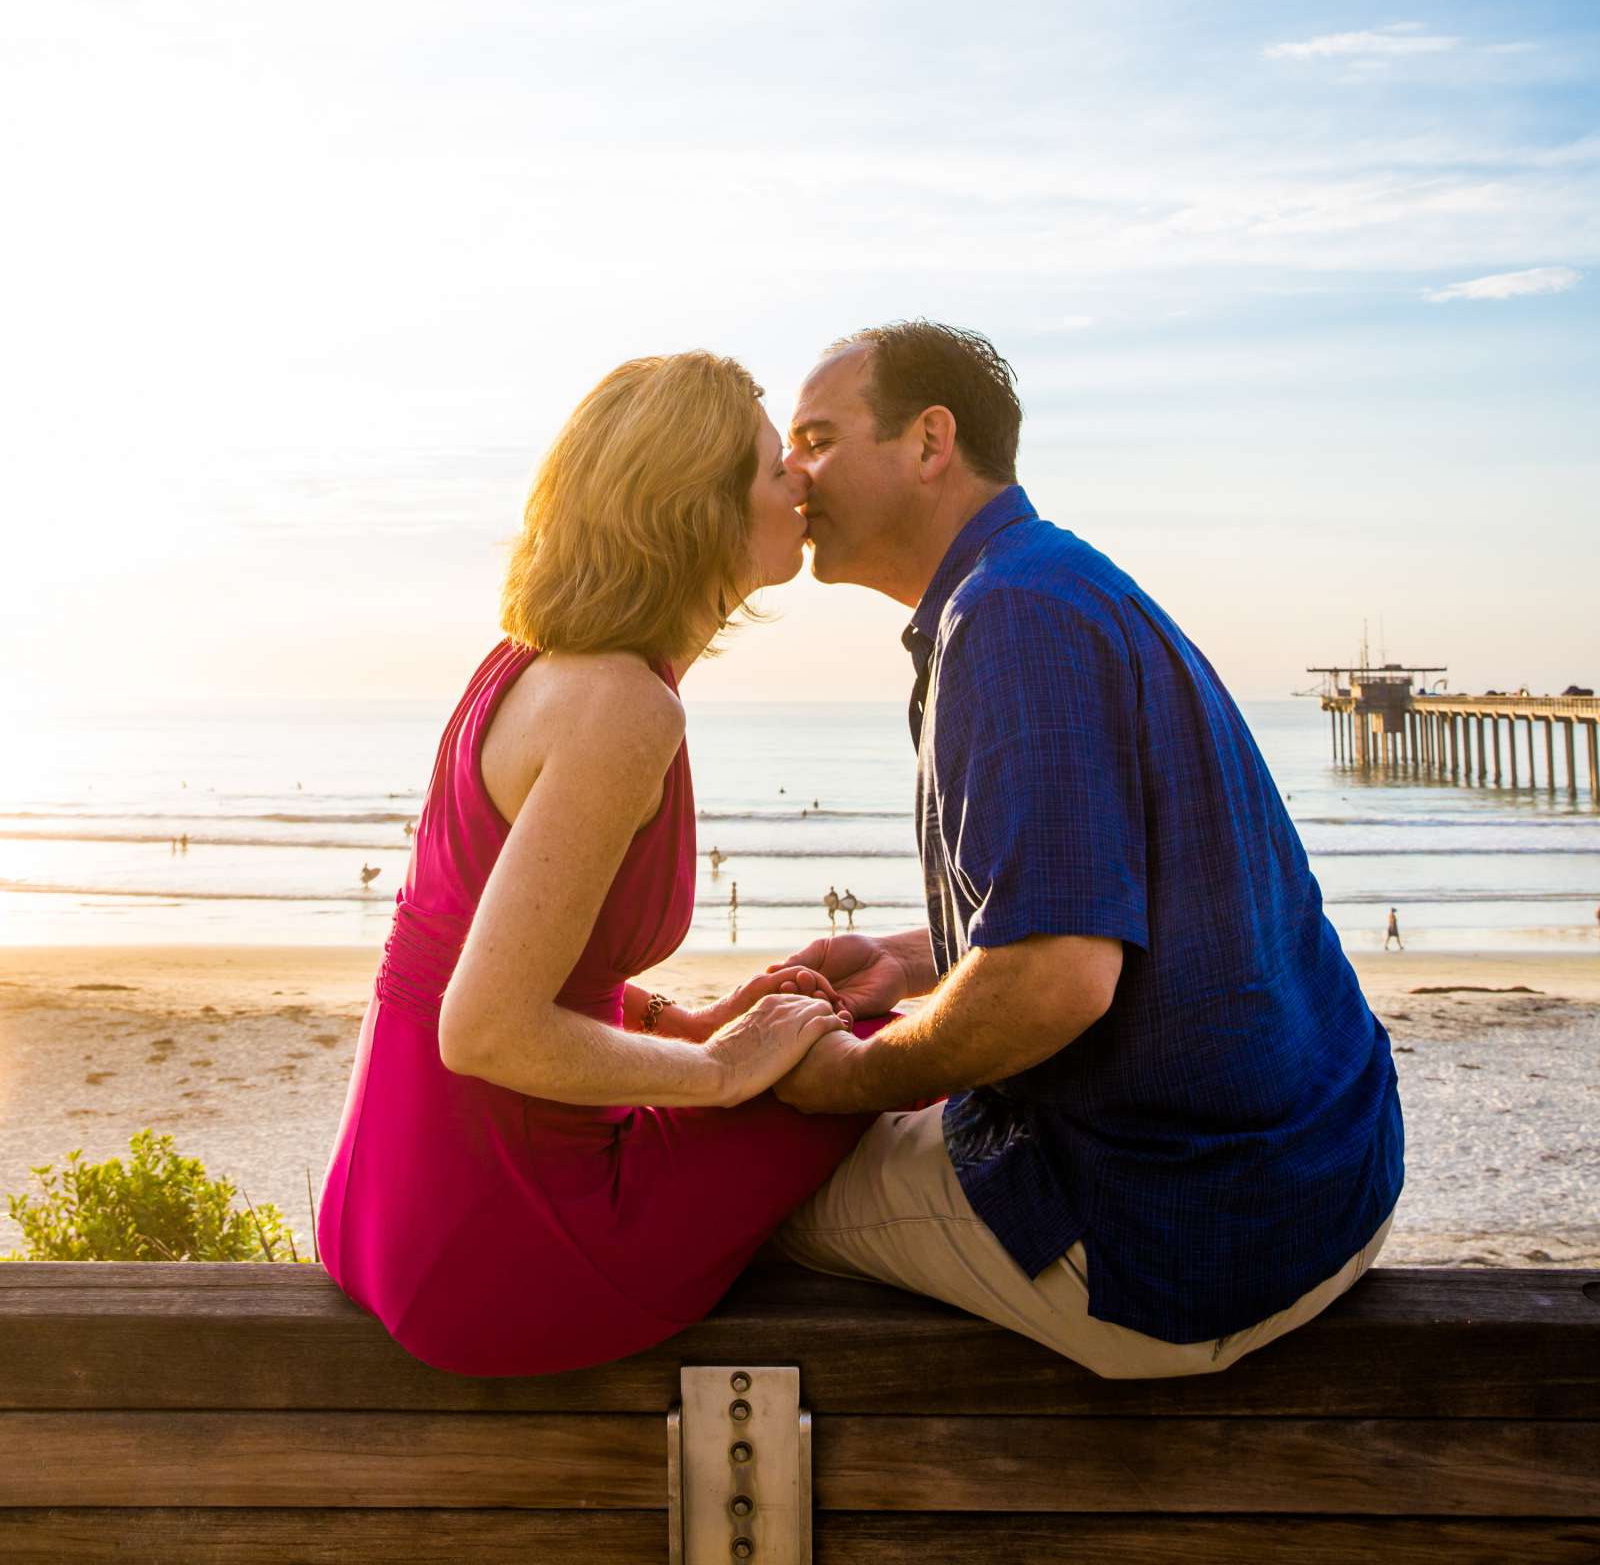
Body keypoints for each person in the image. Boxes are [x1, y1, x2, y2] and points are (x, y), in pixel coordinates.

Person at [769, 319, 1403, 1379]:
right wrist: (919, 959)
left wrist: (846, 1080)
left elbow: (1052, 984)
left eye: (820, 437)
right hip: (1330, 1177)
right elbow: (1134, 890)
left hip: (1180, 1243)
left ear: (931, 442)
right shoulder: (1048, 580)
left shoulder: (1007, 619)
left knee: (751, 1199)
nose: (794, 471)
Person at [318, 353, 876, 1375]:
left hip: (379, 1206)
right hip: (508, 1245)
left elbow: (503, 961)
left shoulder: (525, 665)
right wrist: (713, 1073)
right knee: (879, 1044)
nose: (798, 479)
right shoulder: (623, 706)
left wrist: (681, 1022)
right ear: (694, 515)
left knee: (827, 1017)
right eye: (768, 470)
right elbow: (484, 1026)